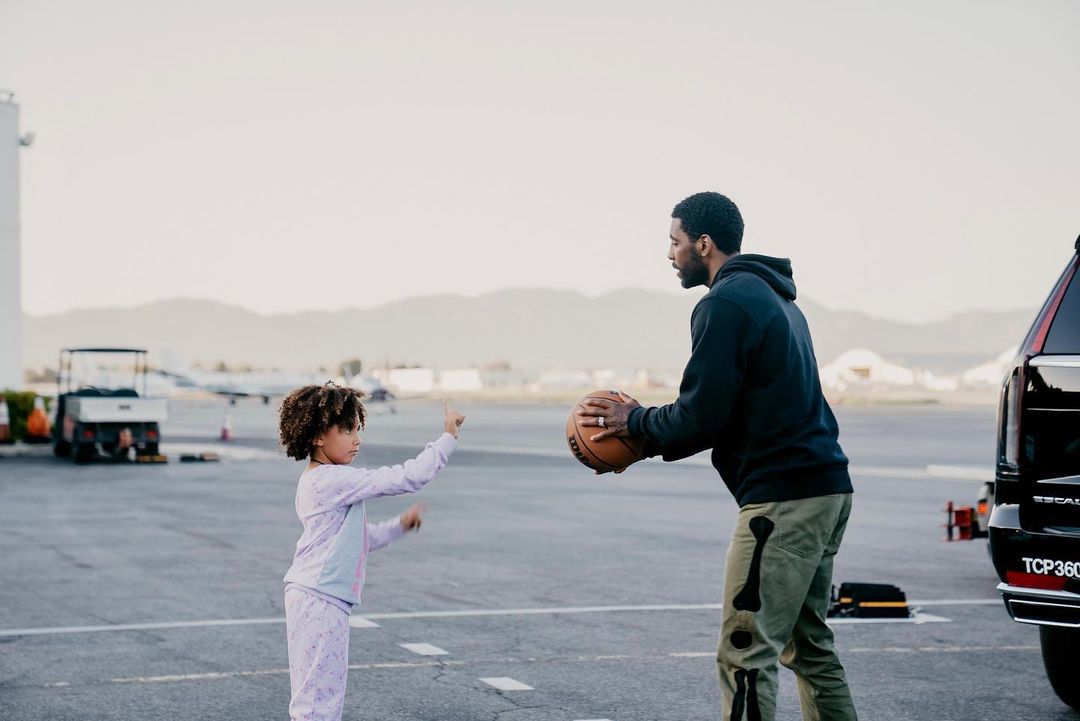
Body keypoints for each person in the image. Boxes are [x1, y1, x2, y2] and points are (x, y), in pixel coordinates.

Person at [577, 192, 858, 721]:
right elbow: (723, 412)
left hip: (783, 501)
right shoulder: (777, 299)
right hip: (825, 490)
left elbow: (702, 415)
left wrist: (633, 423)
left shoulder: (724, 304)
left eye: (675, 242)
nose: (670, 254)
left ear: (703, 244)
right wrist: (647, 433)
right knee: (810, 650)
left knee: (745, 651)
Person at [278, 382, 465, 721]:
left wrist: (399, 526)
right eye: (347, 430)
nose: (357, 439)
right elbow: (408, 477)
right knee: (317, 703)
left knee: (320, 697)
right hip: (319, 598)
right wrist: (448, 437)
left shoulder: (325, 481)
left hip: (318, 596)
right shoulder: (329, 481)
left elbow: (362, 539)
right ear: (318, 436)